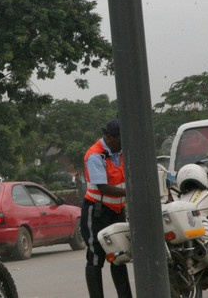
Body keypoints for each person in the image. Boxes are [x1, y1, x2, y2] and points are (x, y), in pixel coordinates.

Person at [81, 119, 132, 298]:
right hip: (97, 211)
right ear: (109, 138)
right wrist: (130, 193)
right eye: (120, 140)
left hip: (116, 211)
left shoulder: (121, 151)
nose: (123, 144)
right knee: (96, 256)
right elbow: (102, 187)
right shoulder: (96, 155)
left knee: (119, 255)